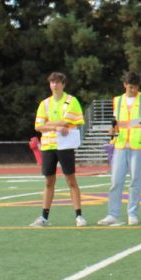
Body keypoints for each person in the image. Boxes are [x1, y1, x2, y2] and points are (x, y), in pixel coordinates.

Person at [98, 71, 141, 226]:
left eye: (135, 87)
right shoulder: (117, 101)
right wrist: (113, 131)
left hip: (138, 145)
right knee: (116, 181)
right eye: (130, 87)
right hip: (121, 144)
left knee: (135, 181)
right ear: (125, 85)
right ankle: (113, 214)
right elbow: (117, 124)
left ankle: (132, 213)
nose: (133, 90)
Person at [30, 72, 87, 227]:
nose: (54, 85)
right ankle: (44, 217)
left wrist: (53, 124)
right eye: (52, 82)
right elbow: (39, 126)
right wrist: (57, 126)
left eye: (57, 82)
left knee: (71, 180)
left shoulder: (71, 101)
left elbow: (72, 121)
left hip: (65, 146)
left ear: (63, 84)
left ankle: (79, 216)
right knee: (49, 182)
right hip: (48, 146)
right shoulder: (45, 103)